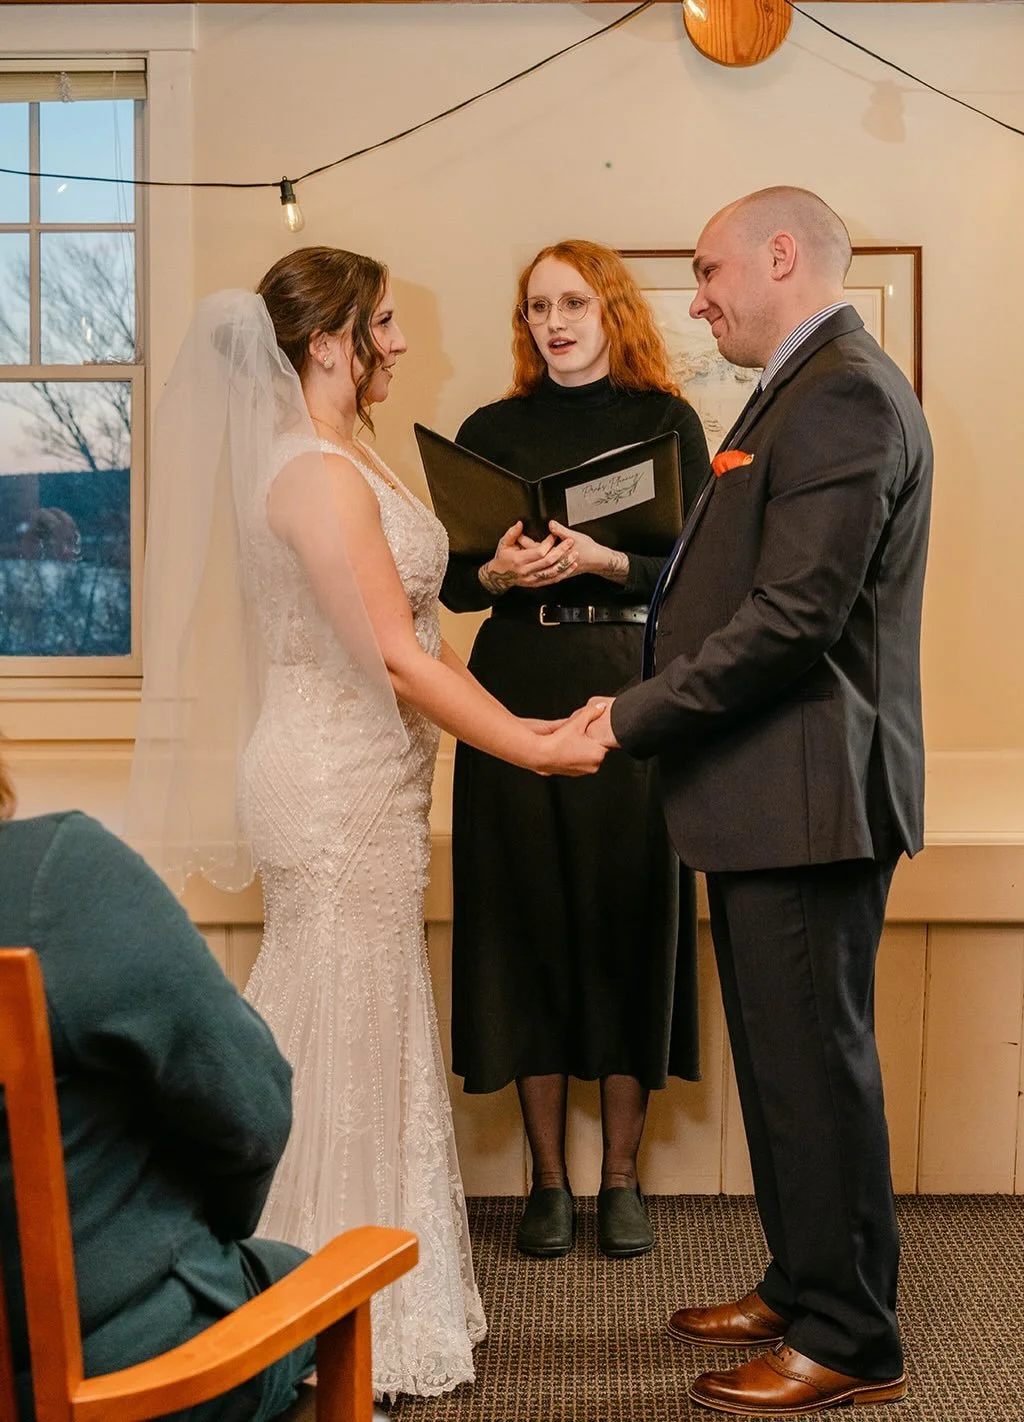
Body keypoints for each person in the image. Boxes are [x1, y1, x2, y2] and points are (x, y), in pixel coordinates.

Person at [127, 247, 605, 1402]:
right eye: (382, 324)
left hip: (377, 784)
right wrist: (535, 744)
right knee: (326, 1025)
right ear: (329, 341)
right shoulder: (312, 471)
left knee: (369, 1026)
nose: (398, 341)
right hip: (329, 781)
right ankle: (295, 1311)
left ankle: (362, 1298)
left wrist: (483, 568)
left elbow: (399, 614)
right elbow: (393, 653)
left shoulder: (354, 455)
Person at [585, 188, 932, 1414]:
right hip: (771, 794)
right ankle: (801, 1283)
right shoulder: (808, 384)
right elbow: (732, 581)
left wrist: (625, 720)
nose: (694, 296)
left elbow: (791, 622)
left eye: (707, 268)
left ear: (780, 255)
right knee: (786, 1066)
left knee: (812, 1070)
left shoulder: (838, 390)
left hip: (806, 796)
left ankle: (847, 1338)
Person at [441, 240, 710, 1260]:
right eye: (536, 306)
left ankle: (622, 1182)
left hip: (628, 695)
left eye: (572, 302)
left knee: (627, 922)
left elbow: (696, 572)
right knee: (526, 928)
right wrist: (504, 575)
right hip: (511, 689)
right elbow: (459, 586)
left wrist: (602, 556)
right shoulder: (490, 430)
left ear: (610, 310)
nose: (553, 322)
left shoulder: (664, 420)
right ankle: (547, 1184)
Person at [0, 757, 314, 1422]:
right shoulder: (59, 877)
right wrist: (219, 1227)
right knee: (306, 1280)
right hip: (107, 1373)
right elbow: (252, 1110)